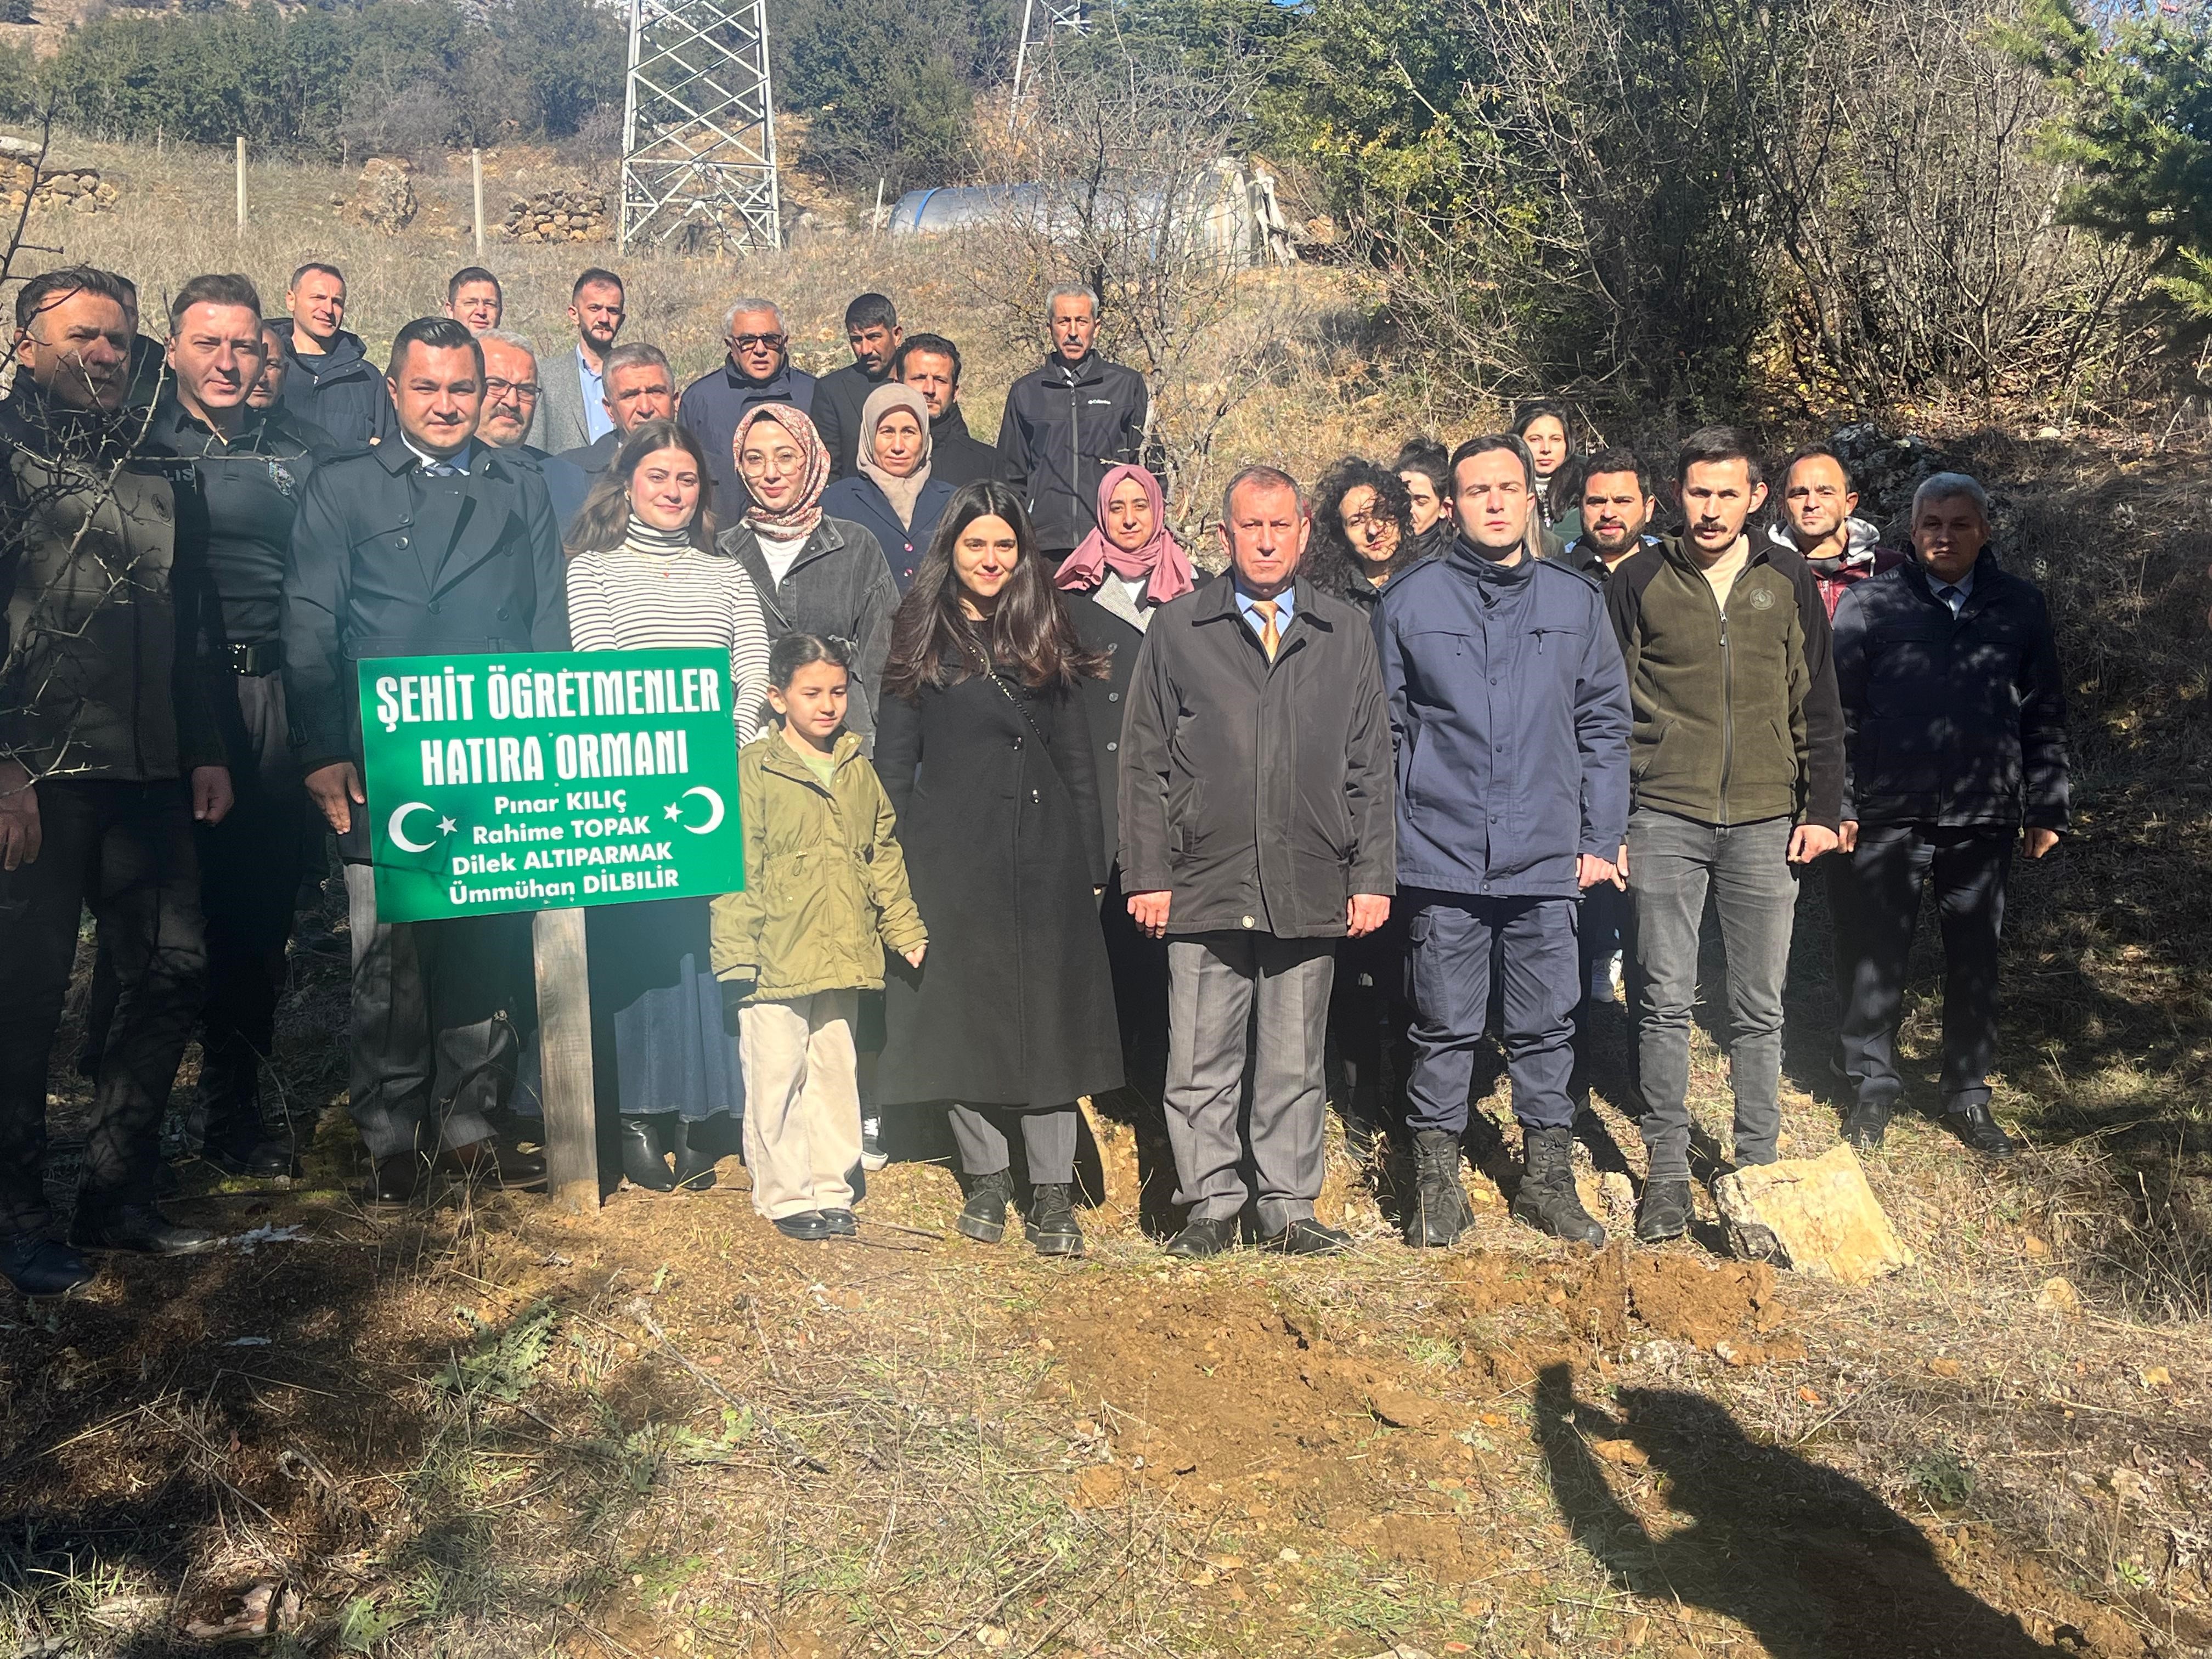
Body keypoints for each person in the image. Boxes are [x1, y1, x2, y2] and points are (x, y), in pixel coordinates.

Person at [283, 315, 568, 1205]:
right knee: (389, 954)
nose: (446, 404)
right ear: (395, 391)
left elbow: (547, 622)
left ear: (482, 393)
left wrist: (551, 742)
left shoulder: (517, 488)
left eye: (461, 387)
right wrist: (324, 747)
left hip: (493, 757)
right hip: (381, 759)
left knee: (483, 939)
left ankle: (473, 1118)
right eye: (428, 387)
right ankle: (391, 1128)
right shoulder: (344, 488)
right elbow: (307, 624)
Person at [0, 267, 232, 1294]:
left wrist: (208, 746)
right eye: (84, 336)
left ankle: (114, 1194)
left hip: (148, 768)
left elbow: (197, 625)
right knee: (23, 999)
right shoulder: (6, 463)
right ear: (24, 345)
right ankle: (14, 1216)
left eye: (118, 340)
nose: (105, 355)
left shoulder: (153, 465)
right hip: (37, 775)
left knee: (170, 970)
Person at [1120, 465, 1396, 1258]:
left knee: (1292, 1055)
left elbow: (1372, 765)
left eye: (1281, 526)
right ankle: (1210, 1202)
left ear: (1306, 533)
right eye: (1251, 526)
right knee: (1200, 1051)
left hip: (1310, 873)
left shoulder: (1345, 633)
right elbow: (1143, 763)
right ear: (1225, 536)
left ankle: (1286, 1205)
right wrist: (1147, 873)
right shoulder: (1180, 629)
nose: (1267, 540)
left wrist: (1372, 875)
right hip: (1205, 875)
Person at [1378, 435, 1631, 1248]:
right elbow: (1381, 733)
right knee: (1443, 1024)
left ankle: (1547, 1181)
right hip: (1441, 855)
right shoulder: (1410, 603)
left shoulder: (1575, 600)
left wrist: (1602, 834)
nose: (1493, 502)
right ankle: (1436, 1180)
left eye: (1507, 488)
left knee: (1545, 1026)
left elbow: (1604, 726)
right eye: (1476, 490)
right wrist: (1390, 843)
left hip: (1546, 857)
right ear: (1450, 506)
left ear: (1533, 500)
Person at [1606, 428, 1844, 1245]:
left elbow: (1818, 704)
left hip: (1765, 818)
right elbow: (1609, 711)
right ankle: (1667, 1175)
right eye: (1697, 493)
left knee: (1757, 1005)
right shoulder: (1640, 579)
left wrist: (1820, 808)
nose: (1711, 510)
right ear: (1676, 495)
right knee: (1665, 999)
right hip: (1664, 814)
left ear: (1756, 498)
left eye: (1727, 494)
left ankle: (1757, 1170)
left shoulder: (1788, 579)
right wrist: (1614, 823)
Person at [874, 482, 1121, 1257]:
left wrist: (1088, 860)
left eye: (1005, 546)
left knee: (1049, 1022)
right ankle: (986, 1179)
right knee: (962, 1017)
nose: (990, 559)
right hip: (951, 856)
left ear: (1023, 555)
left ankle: (1051, 1197)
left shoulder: (1045, 623)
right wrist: (892, 867)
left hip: (1044, 853)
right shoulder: (919, 632)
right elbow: (893, 760)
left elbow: (1077, 757)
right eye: (976, 544)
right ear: (952, 550)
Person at [132, 274, 332, 1179]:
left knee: (258, 924)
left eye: (243, 345)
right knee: (159, 931)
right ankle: (124, 1133)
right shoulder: (133, 448)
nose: (226, 359)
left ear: (266, 354)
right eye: (207, 342)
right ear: (171, 348)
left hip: (268, 700)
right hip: (159, 701)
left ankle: (233, 1115)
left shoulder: (298, 453)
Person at [1830, 473, 2068, 1156]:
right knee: (1873, 957)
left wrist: (2049, 802)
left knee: (1975, 960)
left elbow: (2044, 709)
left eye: (1959, 523)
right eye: (1930, 523)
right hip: (1886, 815)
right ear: (1912, 532)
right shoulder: (1870, 605)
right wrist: (1840, 803)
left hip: (1983, 813)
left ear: (1984, 531)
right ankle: (1872, 1088)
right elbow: (1838, 718)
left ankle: (1968, 1094)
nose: (1943, 534)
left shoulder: (2019, 605)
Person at [564, 418, 769, 1190]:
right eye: (659, 479)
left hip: (716, 783)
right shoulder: (593, 570)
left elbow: (751, 665)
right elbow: (600, 668)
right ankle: (639, 1118)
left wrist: (727, 742)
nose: (674, 493)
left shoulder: (726, 574)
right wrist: (663, 755)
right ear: (628, 484)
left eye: (687, 480)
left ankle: (706, 1113)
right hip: (636, 785)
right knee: (645, 949)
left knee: (707, 945)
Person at [716, 634, 927, 1239]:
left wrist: (902, 925)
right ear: (778, 698)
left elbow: (881, 852)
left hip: (843, 949)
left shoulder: (856, 767)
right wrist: (736, 953)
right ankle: (785, 1194)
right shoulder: (753, 770)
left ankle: (834, 1186)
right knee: (777, 1075)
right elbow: (739, 867)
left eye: (837, 691)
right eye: (811, 693)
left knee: (836, 1071)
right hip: (774, 956)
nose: (828, 705)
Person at [1053, 462, 1196, 1107]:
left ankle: (1162, 1065)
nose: (1131, 518)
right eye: (1119, 508)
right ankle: (1112, 1071)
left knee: (1167, 927)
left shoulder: (1193, 593)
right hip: (1099, 782)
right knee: (1111, 923)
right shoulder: (1072, 597)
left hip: (1173, 784)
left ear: (1159, 511)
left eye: (1142, 505)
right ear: (1101, 515)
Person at [1307, 456, 1430, 1144]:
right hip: (1349, 785)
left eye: (1382, 513)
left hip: (1424, 786)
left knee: (1418, 957)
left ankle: (1420, 1102)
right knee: (1358, 952)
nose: (1373, 530)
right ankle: (1358, 1101)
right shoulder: (1326, 596)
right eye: (1356, 520)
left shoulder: (1433, 584)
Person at [714, 405, 898, 752]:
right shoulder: (720, 551)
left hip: (845, 744)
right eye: (755, 459)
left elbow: (884, 660)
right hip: (750, 748)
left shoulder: (856, 545)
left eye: (786, 457)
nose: (771, 473)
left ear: (811, 460)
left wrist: (891, 751)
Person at [1562, 448, 1657, 1052]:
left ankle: (1648, 1074)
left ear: (1649, 506)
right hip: (1571, 779)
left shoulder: (1673, 574)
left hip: (1654, 780)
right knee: (1568, 940)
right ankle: (1567, 1076)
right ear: (1579, 509)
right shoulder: (1558, 577)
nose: (1609, 512)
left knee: (1649, 944)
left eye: (1623, 500)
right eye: (1596, 500)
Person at [995, 285, 1149, 555]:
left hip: (1111, 543)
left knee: (1112, 601)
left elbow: (1147, 470)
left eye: (1082, 321)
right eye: (1064, 321)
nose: (1073, 332)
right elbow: (1010, 478)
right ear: (1050, 327)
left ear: (1096, 327)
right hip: (1046, 545)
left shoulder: (1126, 386)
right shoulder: (1027, 392)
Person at [679, 297, 817, 508]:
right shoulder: (700, 400)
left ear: (785, 342)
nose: (760, 349)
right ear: (730, 345)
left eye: (770, 339)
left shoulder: (815, 393)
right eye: (747, 341)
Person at [822, 382, 955, 592]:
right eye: (887, 432)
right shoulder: (836, 503)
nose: (898, 447)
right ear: (869, 437)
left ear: (925, 437)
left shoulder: (953, 502)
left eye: (909, 432)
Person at [1771, 444, 1905, 621]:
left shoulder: (1893, 570)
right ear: (1783, 506)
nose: (1811, 503)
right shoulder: (1763, 571)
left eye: (1825, 493)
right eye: (1799, 494)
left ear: (1849, 504)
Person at [475, 330, 590, 526]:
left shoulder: (568, 480)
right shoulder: (440, 470)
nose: (512, 402)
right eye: (496, 385)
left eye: (526, 390)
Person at [271, 262, 393, 447]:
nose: (328, 310)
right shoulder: (265, 367)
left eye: (337, 302)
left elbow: (389, 447)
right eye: (318, 298)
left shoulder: (367, 379)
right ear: (291, 300)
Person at [532, 268, 627, 455]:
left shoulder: (632, 378)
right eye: (595, 308)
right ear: (574, 315)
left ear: (621, 319)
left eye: (613, 311)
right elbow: (534, 448)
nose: (604, 318)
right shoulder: (545, 376)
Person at [812, 292, 902, 481]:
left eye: (874, 337)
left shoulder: (922, 382)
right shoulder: (833, 391)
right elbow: (828, 471)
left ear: (896, 335)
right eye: (857, 340)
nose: (866, 350)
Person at [557, 341, 676, 481]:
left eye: (655, 392)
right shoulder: (568, 475)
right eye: (630, 396)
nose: (645, 408)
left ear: (675, 402)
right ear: (609, 409)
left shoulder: (706, 472)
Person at [893, 333, 997, 488]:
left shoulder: (985, 464)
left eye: (940, 380)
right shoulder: (878, 456)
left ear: (955, 392)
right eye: (919, 378)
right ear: (898, 385)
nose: (929, 389)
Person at [1513, 399, 1577, 533]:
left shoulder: (1586, 487)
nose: (1546, 449)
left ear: (1567, 443)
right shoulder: (1504, 488)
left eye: (1555, 439)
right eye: (1535, 440)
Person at [1395, 438, 1454, 563]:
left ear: (1443, 508)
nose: (1409, 509)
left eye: (1421, 502)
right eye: (1401, 498)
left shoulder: (1453, 562)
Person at [443, 267, 503, 335]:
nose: (481, 312)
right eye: (470, 303)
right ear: (451, 310)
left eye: (489, 304)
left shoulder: (514, 345)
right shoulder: (434, 345)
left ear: (500, 312)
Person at [248, 320, 289, 410]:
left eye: (272, 365)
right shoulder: (211, 423)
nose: (261, 379)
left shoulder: (301, 424)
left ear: (285, 372)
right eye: (252, 364)